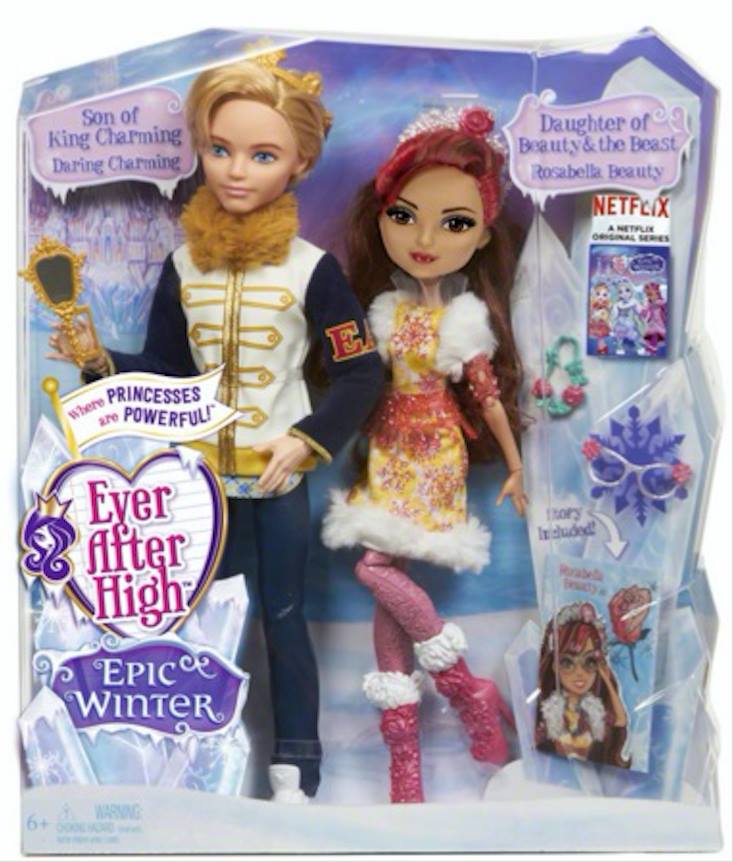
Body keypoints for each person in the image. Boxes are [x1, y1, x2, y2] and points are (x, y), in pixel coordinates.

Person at [47, 50, 384, 802]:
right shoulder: (182, 266)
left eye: (262, 155)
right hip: (197, 485)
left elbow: (362, 373)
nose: (236, 171)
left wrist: (305, 438)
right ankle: (202, 763)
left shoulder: (312, 270)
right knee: (200, 624)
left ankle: (298, 769)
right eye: (219, 149)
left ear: (299, 164)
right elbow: (168, 370)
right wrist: (101, 361)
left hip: (277, 481)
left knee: (284, 619)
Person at [322, 105, 527, 803]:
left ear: (482, 233)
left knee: (374, 566)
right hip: (386, 445)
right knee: (388, 581)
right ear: (381, 216)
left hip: (435, 447)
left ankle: (463, 688)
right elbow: (355, 377)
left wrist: (516, 465)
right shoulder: (384, 311)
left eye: (455, 223)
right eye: (405, 216)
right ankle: (404, 762)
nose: (426, 240)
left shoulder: (462, 318)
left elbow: (487, 396)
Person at [535, 602, 630, 768]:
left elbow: (620, 721)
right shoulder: (551, 709)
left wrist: (607, 680)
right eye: (567, 662)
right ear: (554, 665)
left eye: (589, 662)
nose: (579, 673)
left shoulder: (593, 710)